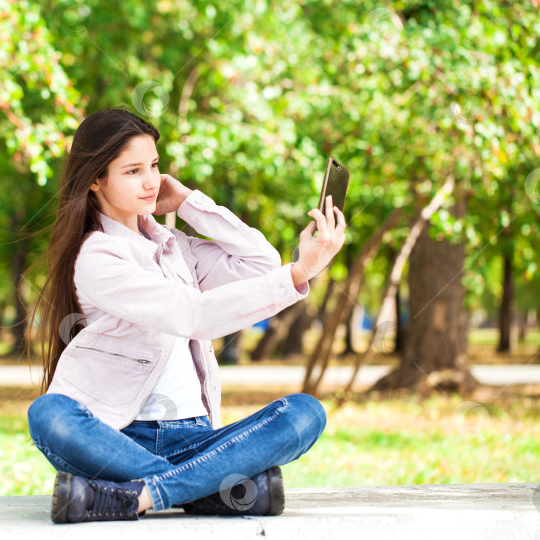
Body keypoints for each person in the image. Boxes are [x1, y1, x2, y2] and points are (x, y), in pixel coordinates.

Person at [23, 106, 347, 524]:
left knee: (305, 414)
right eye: (133, 171)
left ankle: (139, 496)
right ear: (95, 180)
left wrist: (191, 203)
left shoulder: (174, 245)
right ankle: (209, 491)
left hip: (197, 437)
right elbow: (194, 315)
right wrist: (300, 271)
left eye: (154, 165)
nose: (151, 181)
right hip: (119, 438)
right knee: (49, 414)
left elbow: (263, 264)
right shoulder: (98, 256)